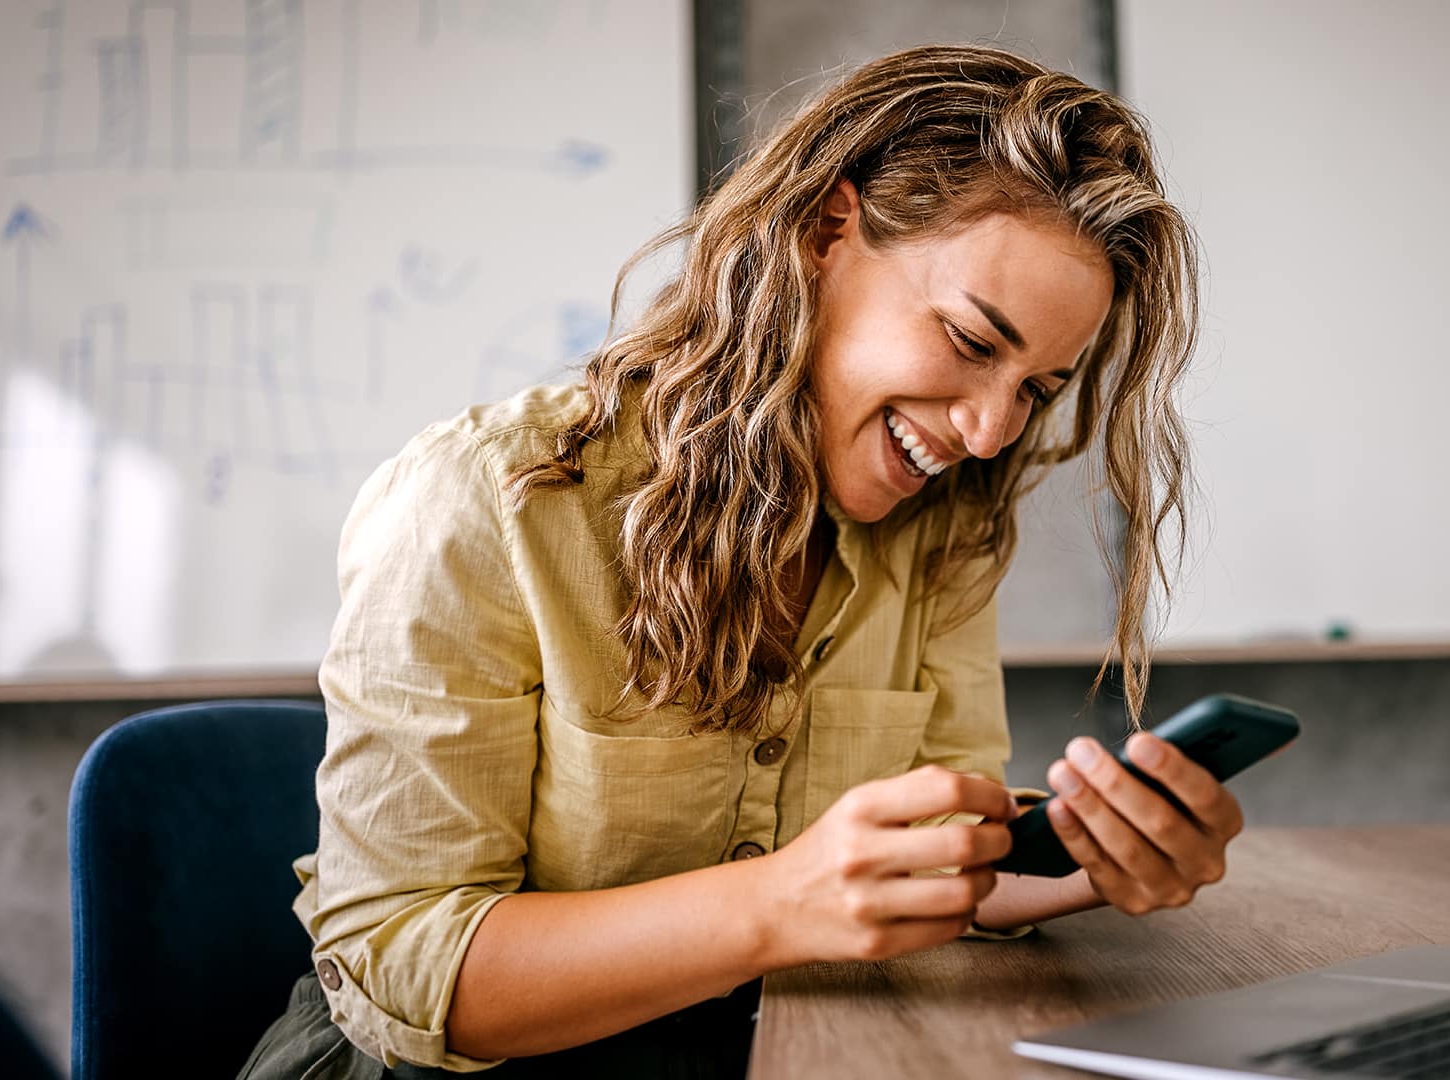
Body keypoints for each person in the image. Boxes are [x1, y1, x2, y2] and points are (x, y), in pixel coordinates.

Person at [238, 43, 1245, 1079]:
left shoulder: (936, 529)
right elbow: (399, 967)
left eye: (1037, 387)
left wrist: (1093, 862)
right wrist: (777, 906)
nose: (991, 430)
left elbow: (921, 866)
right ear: (825, 232)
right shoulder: (482, 501)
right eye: (970, 341)